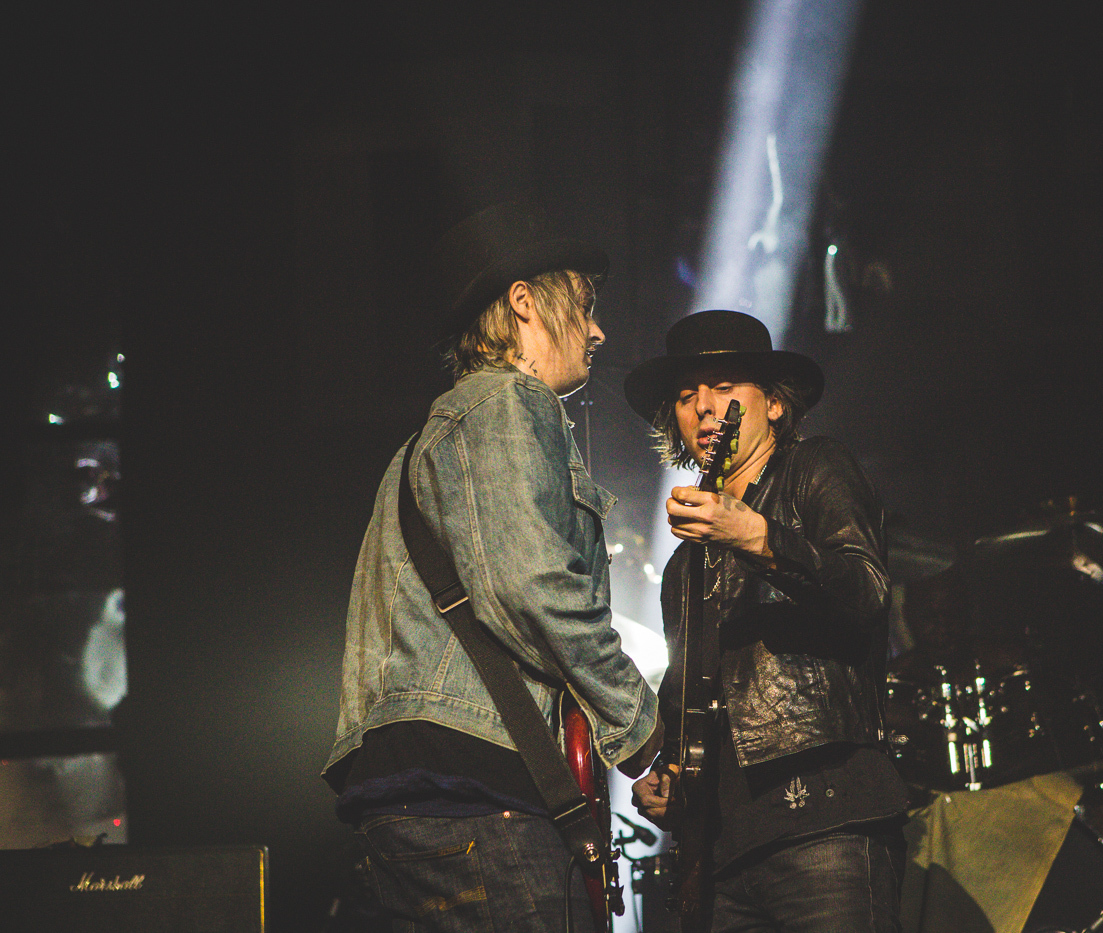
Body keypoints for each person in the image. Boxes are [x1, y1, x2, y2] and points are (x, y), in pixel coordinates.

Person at [323, 203, 663, 933]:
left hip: (404, 795)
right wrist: (642, 728)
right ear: (524, 303)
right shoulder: (508, 401)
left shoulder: (426, 441)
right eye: (586, 305)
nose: (599, 330)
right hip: (476, 789)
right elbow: (532, 585)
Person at [625, 309, 907, 932]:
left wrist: (759, 537)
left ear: (774, 404)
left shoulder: (816, 469)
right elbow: (690, 691)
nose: (703, 407)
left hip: (825, 818)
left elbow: (866, 591)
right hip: (725, 846)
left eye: (724, 388)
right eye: (685, 395)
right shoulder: (683, 566)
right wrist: (668, 772)